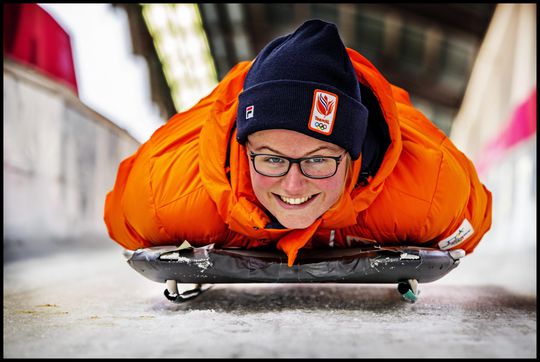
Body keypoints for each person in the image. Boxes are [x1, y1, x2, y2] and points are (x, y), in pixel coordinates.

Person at [104, 19, 492, 267]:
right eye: (271, 160)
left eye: (318, 160)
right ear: (245, 147)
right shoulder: (164, 193)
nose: (293, 186)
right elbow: (123, 217)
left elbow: (473, 221)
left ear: (352, 155)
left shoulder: (429, 188)